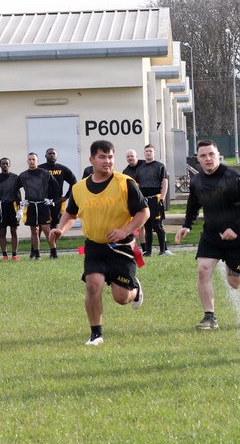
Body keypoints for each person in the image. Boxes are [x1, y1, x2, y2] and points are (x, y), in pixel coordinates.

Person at [50, 140, 149, 346]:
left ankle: (135, 289)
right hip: (94, 246)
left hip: (121, 247)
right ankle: (96, 334)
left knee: (121, 298)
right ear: (92, 160)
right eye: (102, 157)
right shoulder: (79, 189)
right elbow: (70, 213)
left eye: (111, 157)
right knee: (93, 286)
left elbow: (144, 212)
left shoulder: (125, 183)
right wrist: (61, 229)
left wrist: (125, 231)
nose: (107, 161)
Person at [174, 140, 240, 332]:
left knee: (234, 283)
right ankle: (209, 317)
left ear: (218, 154)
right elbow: (193, 204)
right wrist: (187, 225)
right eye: (203, 156)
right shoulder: (196, 180)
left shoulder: (233, 177)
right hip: (211, 234)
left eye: (211, 154)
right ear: (198, 159)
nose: (208, 159)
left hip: (236, 236)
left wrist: (236, 228)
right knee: (203, 270)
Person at [19, 152, 59, 260]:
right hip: (31, 205)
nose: (32, 161)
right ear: (27, 161)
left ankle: (53, 252)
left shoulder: (45, 173)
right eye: (30, 159)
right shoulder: (23, 175)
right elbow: (14, 189)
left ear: (37, 161)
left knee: (46, 229)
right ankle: (36, 253)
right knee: (34, 230)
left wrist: (52, 200)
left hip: (43, 205)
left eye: (34, 159)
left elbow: (56, 186)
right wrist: (21, 202)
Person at [137, 144, 173, 256]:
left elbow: (164, 182)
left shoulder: (160, 166)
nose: (148, 153)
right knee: (147, 226)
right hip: (144, 200)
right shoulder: (140, 169)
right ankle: (148, 251)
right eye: (146, 151)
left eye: (150, 151)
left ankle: (163, 250)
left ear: (154, 153)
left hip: (155, 198)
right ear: (144, 153)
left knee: (157, 225)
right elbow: (137, 185)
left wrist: (162, 197)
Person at [0, 158, 23, 260]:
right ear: (0, 165)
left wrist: (20, 208)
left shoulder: (15, 178)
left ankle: (14, 254)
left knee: (14, 230)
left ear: (9, 165)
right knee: (2, 231)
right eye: (3, 164)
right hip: (1, 206)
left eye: (6, 164)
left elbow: (19, 194)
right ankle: (4, 254)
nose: (5, 165)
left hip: (13, 205)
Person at [39, 148, 78, 232]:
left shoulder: (62, 169)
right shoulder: (40, 169)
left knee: (54, 224)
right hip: (42, 201)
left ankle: (53, 245)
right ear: (45, 156)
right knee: (40, 225)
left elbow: (74, 182)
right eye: (49, 153)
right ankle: (35, 246)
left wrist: (66, 197)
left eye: (53, 154)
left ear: (57, 156)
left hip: (57, 201)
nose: (52, 155)